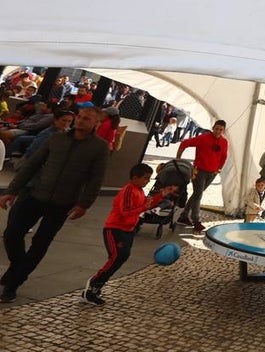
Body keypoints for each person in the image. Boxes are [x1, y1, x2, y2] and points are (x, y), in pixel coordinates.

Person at [0, 107, 109, 303]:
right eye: (80, 117)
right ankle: (18, 267)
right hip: (35, 196)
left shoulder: (99, 148)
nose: (81, 121)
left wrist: (84, 204)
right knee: (12, 233)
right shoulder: (56, 139)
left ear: (96, 124)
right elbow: (32, 164)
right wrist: (12, 190)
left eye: (87, 119)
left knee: (40, 243)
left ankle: (13, 284)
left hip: (62, 204)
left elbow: (95, 179)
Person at [82, 163, 178, 306]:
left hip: (127, 230)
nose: (147, 181)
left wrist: (161, 196)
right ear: (135, 177)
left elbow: (147, 204)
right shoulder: (128, 190)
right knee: (117, 257)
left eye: (149, 178)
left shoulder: (138, 191)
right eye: (145, 178)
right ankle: (93, 286)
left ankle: (95, 288)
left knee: (121, 257)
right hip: (114, 229)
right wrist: (144, 207)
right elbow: (125, 212)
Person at [175, 119, 229, 234]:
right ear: (213, 128)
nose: (218, 131)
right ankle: (196, 221)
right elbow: (184, 143)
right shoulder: (203, 138)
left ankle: (184, 216)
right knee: (198, 195)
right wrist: (178, 159)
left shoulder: (224, 142)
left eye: (221, 129)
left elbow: (224, 156)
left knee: (196, 194)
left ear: (223, 130)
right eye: (216, 129)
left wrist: (219, 169)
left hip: (212, 172)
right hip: (199, 171)